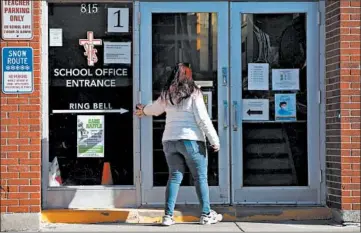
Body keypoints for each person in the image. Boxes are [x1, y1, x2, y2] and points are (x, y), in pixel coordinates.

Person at [135, 63, 222, 226]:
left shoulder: (167, 93)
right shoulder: (194, 92)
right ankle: (206, 214)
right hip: (191, 140)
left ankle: (168, 216)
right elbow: (202, 119)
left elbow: (155, 109)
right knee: (200, 178)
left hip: (169, 141)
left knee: (174, 177)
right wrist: (214, 140)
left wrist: (143, 110)